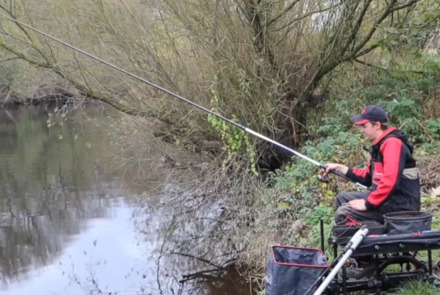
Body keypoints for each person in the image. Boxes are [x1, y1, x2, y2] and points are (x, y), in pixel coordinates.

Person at [319, 105, 421, 224]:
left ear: (377, 125)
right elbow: (367, 178)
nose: (361, 130)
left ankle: (359, 241)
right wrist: (339, 167)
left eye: (364, 126)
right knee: (342, 199)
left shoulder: (393, 144)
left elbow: (390, 181)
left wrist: (368, 204)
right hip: (389, 200)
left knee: (344, 212)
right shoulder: (380, 145)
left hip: (402, 205)